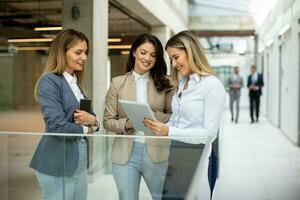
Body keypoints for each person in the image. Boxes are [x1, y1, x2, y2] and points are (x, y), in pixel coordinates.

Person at [144, 31, 226, 199]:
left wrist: (169, 131)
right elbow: (178, 121)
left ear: (190, 51)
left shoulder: (211, 85)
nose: (173, 64)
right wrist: (160, 127)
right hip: (175, 152)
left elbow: (210, 134)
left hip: (193, 155)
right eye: (171, 59)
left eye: (176, 57)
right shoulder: (182, 83)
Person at [29, 29, 99, 200]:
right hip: (57, 162)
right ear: (62, 52)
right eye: (78, 52)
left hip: (78, 160)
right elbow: (57, 125)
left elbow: (91, 118)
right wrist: (87, 129)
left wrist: (94, 121)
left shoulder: (76, 83)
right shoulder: (50, 81)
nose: (84, 57)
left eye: (86, 52)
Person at [103, 33, 174, 200]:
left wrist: (154, 117)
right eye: (143, 52)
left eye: (153, 55)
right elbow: (107, 121)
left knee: (161, 197)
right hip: (125, 154)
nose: (147, 58)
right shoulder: (117, 83)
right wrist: (128, 123)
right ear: (134, 52)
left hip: (157, 153)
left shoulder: (166, 83)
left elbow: (174, 116)